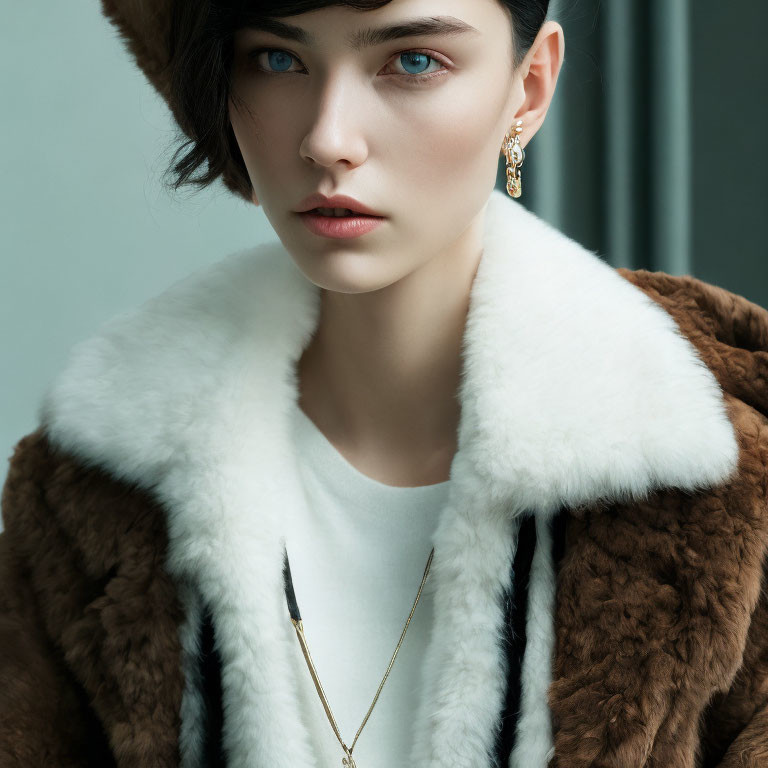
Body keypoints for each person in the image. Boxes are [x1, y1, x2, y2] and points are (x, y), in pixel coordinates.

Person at [1, 0, 766, 766]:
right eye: (277, 60)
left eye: (413, 62)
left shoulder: (723, 475)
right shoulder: (86, 496)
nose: (328, 138)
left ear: (527, 89)